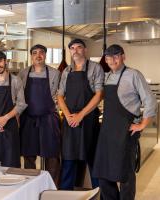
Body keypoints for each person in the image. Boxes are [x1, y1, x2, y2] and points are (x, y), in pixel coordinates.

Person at [93, 44, 157, 200]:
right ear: (106, 59)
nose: (112, 60)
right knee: (103, 172)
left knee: (125, 174)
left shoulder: (133, 74)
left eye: (116, 56)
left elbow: (150, 101)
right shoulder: (107, 76)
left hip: (126, 132)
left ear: (123, 56)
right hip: (107, 131)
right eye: (109, 57)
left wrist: (142, 124)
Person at [58, 39, 104, 190]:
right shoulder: (66, 71)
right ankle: (65, 195)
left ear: (85, 50)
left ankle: (99, 194)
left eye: (79, 47)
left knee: (93, 159)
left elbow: (99, 95)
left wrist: (80, 115)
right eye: (72, 48)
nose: (75, 50)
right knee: (68, 160)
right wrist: (68, 115)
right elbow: (59, 96)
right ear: (70, 51)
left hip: (88, 120)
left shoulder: (95, 68)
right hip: (70, 121)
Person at [18, 44, 61, 184]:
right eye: (35, 53)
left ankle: (52, 187)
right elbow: (19, 97)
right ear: (31, 56)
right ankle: (30, 185)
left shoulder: (55, 73)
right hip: (28, 119)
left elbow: (58, 95)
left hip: (49, 119)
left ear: (45, 55)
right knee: (28, 155)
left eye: (41, 52)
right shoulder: (23, 73)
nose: (38, 55)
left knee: (52, 155)